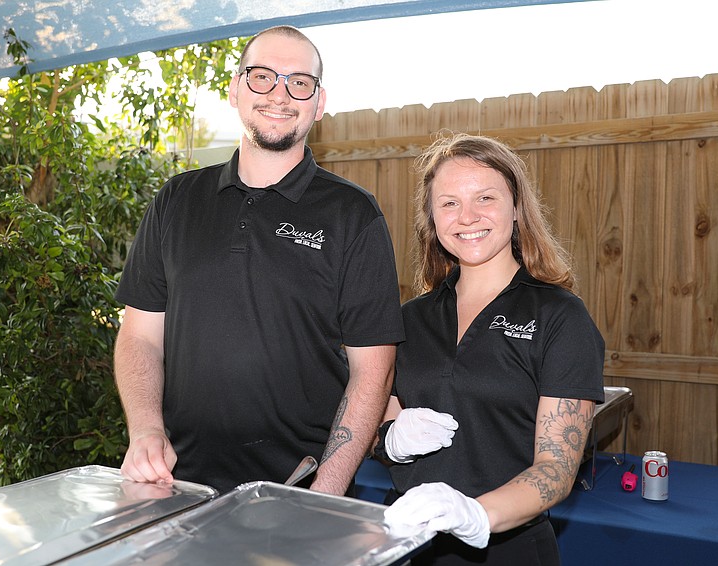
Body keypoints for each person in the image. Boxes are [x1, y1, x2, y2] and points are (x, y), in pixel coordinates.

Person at [113, 25, 404, 497]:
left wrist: (323, 494)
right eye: (263, 76)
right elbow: (140, 335)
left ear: (319, 102)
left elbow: (373, 370)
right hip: (174, 484)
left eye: (299, 82)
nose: (280, 94)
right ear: (234, 88)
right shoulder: (176, 200)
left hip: (297, 490)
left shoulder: (353, 214)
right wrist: (146, 429)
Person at [378, 133, 605, 565]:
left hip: (508, 551)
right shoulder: (408, 319)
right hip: (408, 544)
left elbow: (555, 470)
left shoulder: (561, 317)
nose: (467, 216)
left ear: (516, 208)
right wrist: (391, 441)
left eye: (485, 198)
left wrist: (477, 514)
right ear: (431, 217)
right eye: (448, 203)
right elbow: (377, 421)